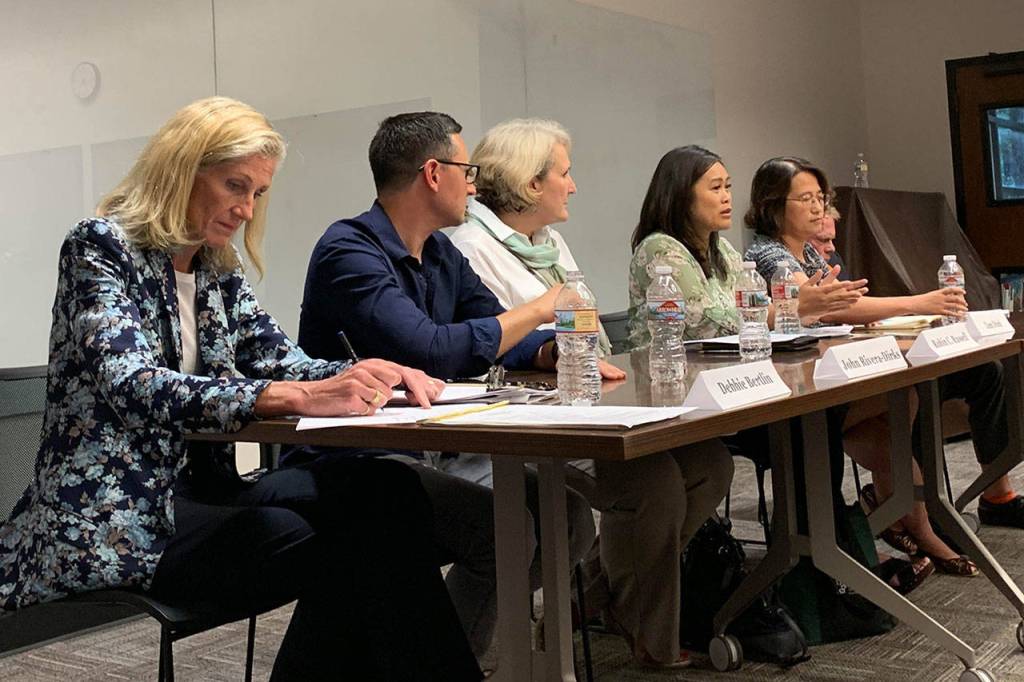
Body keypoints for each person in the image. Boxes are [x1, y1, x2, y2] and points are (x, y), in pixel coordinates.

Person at [0, 97, 481, 681]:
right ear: (181, 169)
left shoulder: (213, 268)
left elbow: (280, 358)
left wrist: (366, 374)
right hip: (115, 514)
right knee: (343, 540)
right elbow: (134, 385)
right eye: (236, 186)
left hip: (204, 491)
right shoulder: (100, 247)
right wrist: (286, 396)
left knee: (386, 494)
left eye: (257, 193)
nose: (247, 209)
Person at [294, 111, 597, 663]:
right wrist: (540, 308)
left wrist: (551, 350)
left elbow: (496, 329)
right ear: (434, 174)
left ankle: (475, 658)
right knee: (501, 530)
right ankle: (442, 665)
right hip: (359, 462)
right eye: (467, 169)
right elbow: (429, 347)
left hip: (434, 446)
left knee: (567, 516)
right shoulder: (349, 251)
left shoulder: (439, 253)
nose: (475, 183)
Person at [450, 121, 730, 668]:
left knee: (710, 464)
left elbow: (583, 329)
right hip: (530, 423)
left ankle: (594, 598)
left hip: (594, 402)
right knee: (655, 486)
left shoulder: (547, 243)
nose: (573, 186)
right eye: (565, 174)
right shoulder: (469, 248)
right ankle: (648, 632)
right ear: (532, 185)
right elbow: (493, 350)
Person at [627, 145, 938, 593]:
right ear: (679, 195)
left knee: (825, 417)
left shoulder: (722, 252)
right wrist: (791, 307)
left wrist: (788, 308)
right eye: (715, 187)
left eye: (729, 186)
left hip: (732, 384)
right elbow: (710, 321)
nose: (728, 197)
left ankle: (831, 558)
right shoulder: (662, 251)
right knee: (808, 428)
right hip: (681, 398)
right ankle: (821, 565)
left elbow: (753, 309)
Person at [743, 156, 1016, 572]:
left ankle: (908, 520)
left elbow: (847, 306)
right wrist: (920, 302)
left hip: (824, 374)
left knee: (906, 396)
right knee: (901, 398)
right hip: (793, 392)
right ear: (772, 205)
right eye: (806, 199)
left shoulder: (809, 256)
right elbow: (838, 308)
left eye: (821, 197)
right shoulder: (768, 253)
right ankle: (901, 525)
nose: (818, 208)